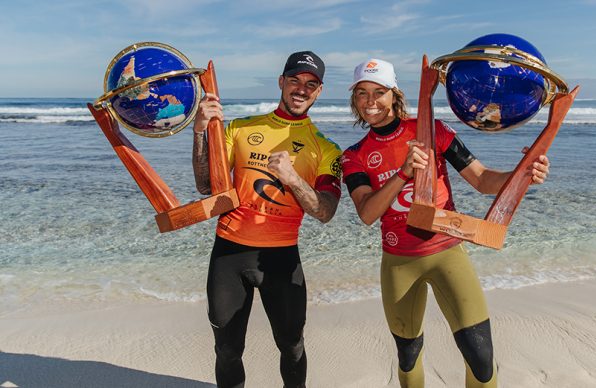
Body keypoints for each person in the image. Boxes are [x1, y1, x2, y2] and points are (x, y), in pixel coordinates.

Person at [341, 59, 551, 388]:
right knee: (409, 356)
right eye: (362, 94)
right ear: (354, 100)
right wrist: (404, 172)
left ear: (394, 95)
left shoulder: (432, 131)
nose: (370, 101)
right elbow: (367, 213)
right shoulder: (354, 155)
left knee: (481, 358)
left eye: (379, 92)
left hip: (448, 254)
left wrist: (523, 175)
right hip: (399, 263)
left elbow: (481, 180)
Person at [191, 51, 342, 388]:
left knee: (291, 346)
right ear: (281, 82)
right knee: (227, 349)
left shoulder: (326, 149)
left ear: (319, 92)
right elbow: (206, 186)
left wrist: (293, 179)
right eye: (295, 81)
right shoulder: (241, 128)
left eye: (310, 84)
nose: (301, 89)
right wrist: (200, 130)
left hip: (281, 257)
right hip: (229, 255)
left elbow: (326, 211)